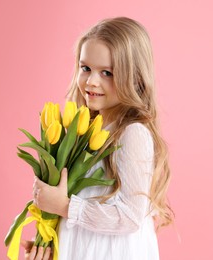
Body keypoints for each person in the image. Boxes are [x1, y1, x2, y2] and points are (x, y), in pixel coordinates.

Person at [20, 17, 173, 260]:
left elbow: (130, 217)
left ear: (134, 78)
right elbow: (87, 211)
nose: (92, 81)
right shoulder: (89, 132)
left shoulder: (132, 133)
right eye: (85, 68)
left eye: (107, 73)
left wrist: (63, 206)